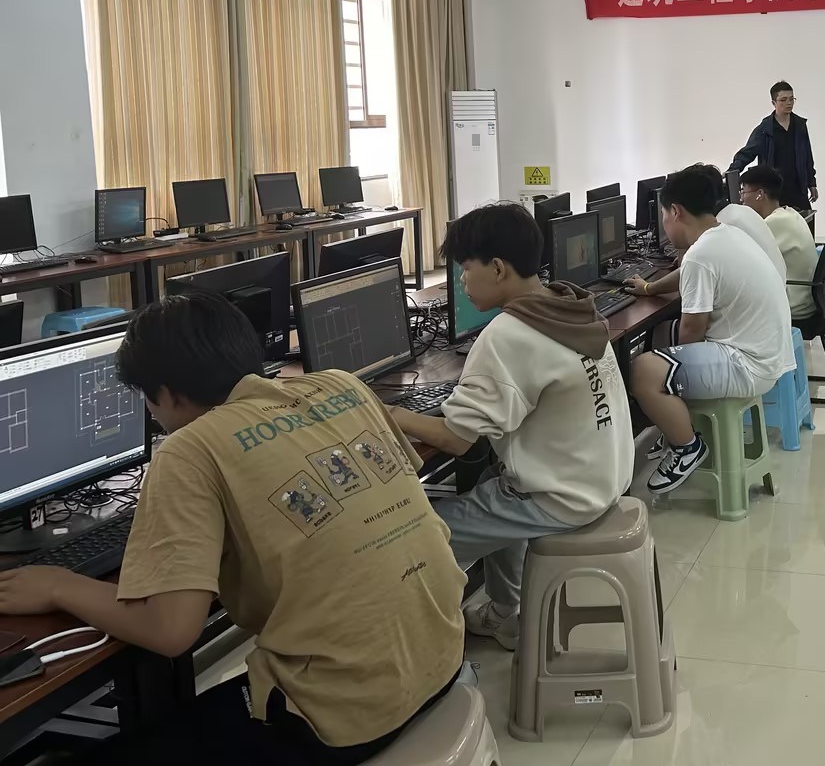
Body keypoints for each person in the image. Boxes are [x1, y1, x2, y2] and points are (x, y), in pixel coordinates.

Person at [0, 293, 467, 764]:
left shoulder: (189, 449)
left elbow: (170, 631)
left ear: (168, 394)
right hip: (441, 659)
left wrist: (60, 586)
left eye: (147, 400)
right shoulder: (343, 385)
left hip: (341, 717)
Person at [390, 204, 633, 650]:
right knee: (492, 479)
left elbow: (457, 441)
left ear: (498, 269)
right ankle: (506, 614)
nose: (461, 281)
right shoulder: (569, 305)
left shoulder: (507, 334)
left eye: (466, 269)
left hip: (562, 498)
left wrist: (390, 414)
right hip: (604, 478)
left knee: (413, 543)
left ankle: (429, 652)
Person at [630, 166, 793, 494]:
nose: (664, 225)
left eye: (663, 216)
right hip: (768, 354)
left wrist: (669, 370)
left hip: (747, 364)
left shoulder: (700, 255)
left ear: (676, 212)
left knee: (641, 370)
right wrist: (649, 289)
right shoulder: (725, 234)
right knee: (661, 336)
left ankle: (687, 446)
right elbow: (688, 276)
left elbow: (692, 331)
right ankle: (673, 424)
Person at [627, 165, 784, 297]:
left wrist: (648, 288)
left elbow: (688, 273)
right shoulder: (739, 212)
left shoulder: (723, 226)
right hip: (775, 298)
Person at [739, 164, 820, 319]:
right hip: (805, 300)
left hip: (793, 306)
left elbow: (743, 262)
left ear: (760, 194)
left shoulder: (773, 224)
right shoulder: (790, 214)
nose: (741, 198)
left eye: (743, 192)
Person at [728, 80, 818, 213]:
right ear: (773, 103)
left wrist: (811, 183)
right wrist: (731, 172)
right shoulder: (765, 129)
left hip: (798, 188)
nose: (789, 103)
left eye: (791, 99)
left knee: (804, 220)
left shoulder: (800, 125)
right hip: (774, 190)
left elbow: (807, 156)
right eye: (783, 100)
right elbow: (747, 153)